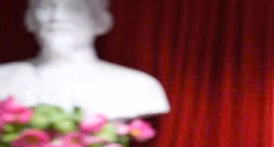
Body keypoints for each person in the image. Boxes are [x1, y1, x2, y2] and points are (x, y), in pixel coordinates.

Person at [0, 0, 169, 119]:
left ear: (102, 21)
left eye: (74, 8)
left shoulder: (138, 87)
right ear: (29, 19)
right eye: (45, 7)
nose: (57, 17)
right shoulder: (4, 78)